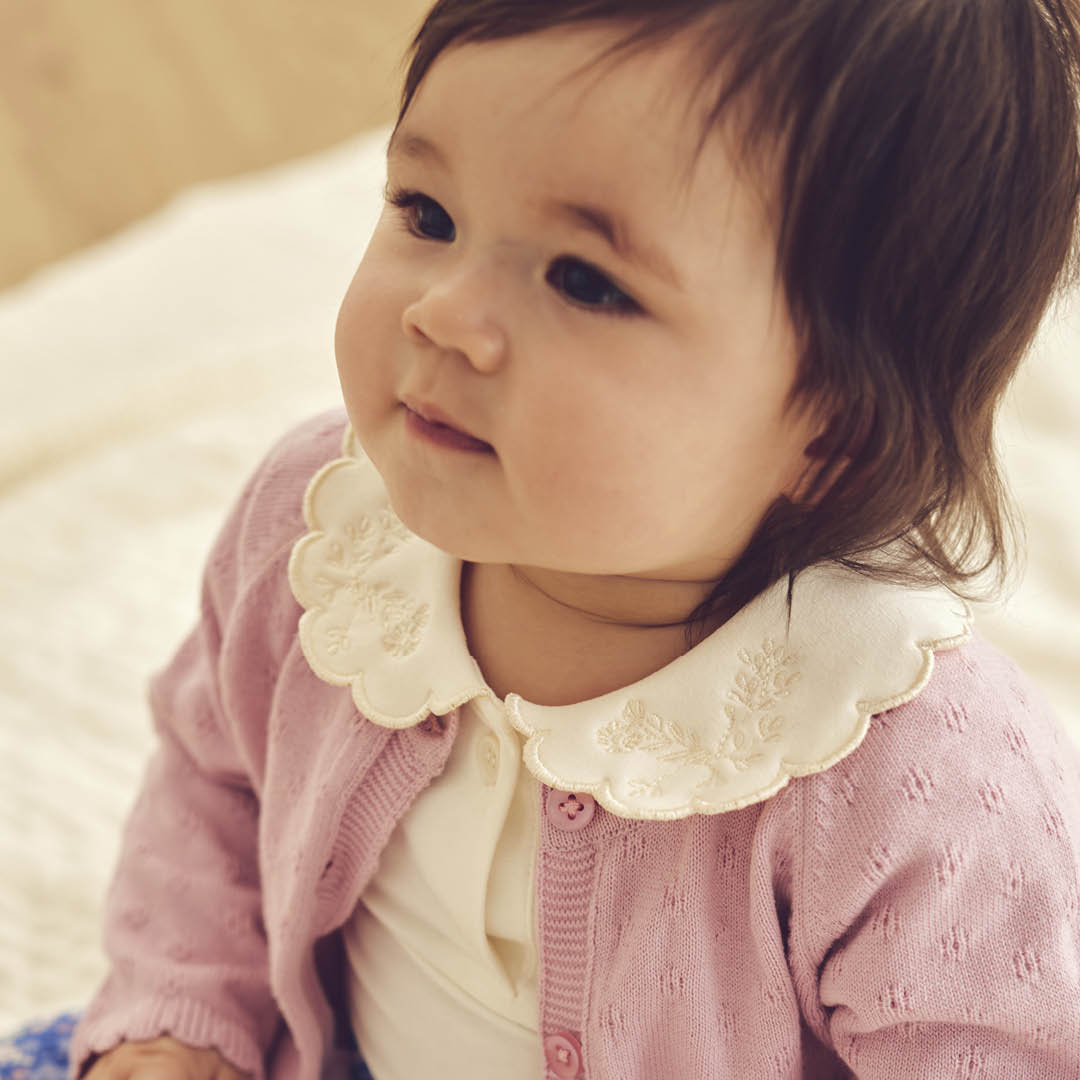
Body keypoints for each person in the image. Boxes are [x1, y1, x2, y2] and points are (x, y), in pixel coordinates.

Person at [40, 0, 1080, 1077]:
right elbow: (216, 781)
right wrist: (179, 1020)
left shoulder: (912, 776)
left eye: (584, 281)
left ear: (838, 434)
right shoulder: (324, 537)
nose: (443, 313)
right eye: (428, 213)